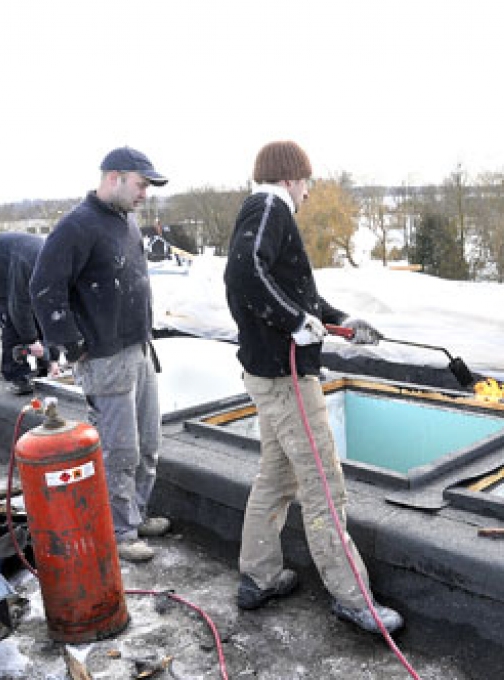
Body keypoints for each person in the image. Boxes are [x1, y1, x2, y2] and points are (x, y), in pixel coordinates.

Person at [223, 140, 403, 634]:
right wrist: (293, 322)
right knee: (324, 484)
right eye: (306, 182)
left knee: (277, 475)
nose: (308, 191)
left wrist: (341, 320)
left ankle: (258, 576)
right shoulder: (269, 207)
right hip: (284, 378)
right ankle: (353, 597)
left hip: (268, 373)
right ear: (290, 179)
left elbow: (293, 292)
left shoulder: (264, 211)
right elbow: (243, 274)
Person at [29, 146, 170, 563]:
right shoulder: (77, 225)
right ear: (114, 177)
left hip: (138, 348)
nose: (145, 194)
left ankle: (135, 513)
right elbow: (44, 288)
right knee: (119, 449)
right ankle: (120, 531)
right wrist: (72, 344)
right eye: (141, 185)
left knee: (149, 443)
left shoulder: (126, 221)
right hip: (105, 358)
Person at [0, 232, 57, 395]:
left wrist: (53, 358)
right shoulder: (29, 264)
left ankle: (44, 366)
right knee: (11, 319)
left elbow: (53, 316)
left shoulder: (62, 273)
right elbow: (18, 307)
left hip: (15, 258)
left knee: (39, 314)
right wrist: (31, 340)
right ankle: (16, 374)